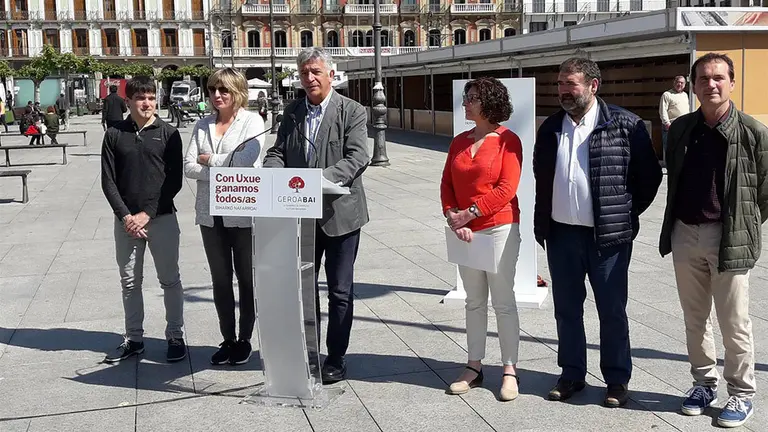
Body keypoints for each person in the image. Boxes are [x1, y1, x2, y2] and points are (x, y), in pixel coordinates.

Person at [533, 57, 662, 407]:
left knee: (612, 310)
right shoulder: (550, 128)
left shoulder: (625, 124)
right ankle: (571, 373)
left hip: (607, 239)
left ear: (593, 85)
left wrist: (624, 214)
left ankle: (617, 380)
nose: (563, 91)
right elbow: (541, 178)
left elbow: (649, 179)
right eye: (560, 84)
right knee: (567, 310)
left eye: (570, 84)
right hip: (561, 236)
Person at [659, 52, 768, 428]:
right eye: (703, 78)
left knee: (734, 321)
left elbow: (766, 191)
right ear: (692, 85)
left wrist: (744, 223)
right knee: (694, 318)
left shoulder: (753, 132)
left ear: (732, 82)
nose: (711, 84)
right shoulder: (682, 129)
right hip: (686, 232)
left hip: (729, 236)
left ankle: (741, 393)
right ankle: (703, 383)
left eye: (719, 77)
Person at [263, 47, 370, 384]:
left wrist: (318, 181)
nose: (309, 78)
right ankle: (309, 352)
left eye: (315, 72)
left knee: (340, 292)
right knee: (304, 288)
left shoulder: (351, 110)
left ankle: (336, 357)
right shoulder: (292, 111)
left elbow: (357, 157)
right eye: (304, 72)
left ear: (330, 74)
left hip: (341, 217)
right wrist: (272, 172)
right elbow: (278, 151)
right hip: (301, 217)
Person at [440, 77, 523, 402]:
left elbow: (507, 188)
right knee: (473, 301)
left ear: (489, 103)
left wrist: (469, 214)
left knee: (502, 302)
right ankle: (473, 367)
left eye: (472, 98)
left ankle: (509, 370)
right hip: (464, 231)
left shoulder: (508, 140)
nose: (466, 103)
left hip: (498, 228)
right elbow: (447, 182)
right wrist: (452, 216)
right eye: (467, 97)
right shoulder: (458, 141)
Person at [100, 76, 186, 364]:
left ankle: (175, 335)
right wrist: (125, 216)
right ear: (128, 102)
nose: (146, 103)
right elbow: (108, 181)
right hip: (126, 223)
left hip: (161, 218)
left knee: (169, 280)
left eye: (151, 97)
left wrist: (146, 213)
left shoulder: (168, 133)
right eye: (140, 98)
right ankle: (134, 338)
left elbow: (174, 181)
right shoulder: (114, 134)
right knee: (129, 282)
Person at [184, 68, 265, 366]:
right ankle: (227, 337)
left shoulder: (252, 121)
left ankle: (245, 338)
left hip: (242, 212)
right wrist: (220, 168)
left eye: (224, 90)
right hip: (209, 215)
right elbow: (189, 167)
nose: (216, 95)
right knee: (220, 279)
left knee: (246, 279)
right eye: (212, 90)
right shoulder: (202, 124)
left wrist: (210, 162)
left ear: (238, 93)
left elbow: (247, 162)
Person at [659, 75, 689, 164]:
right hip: (671, 126)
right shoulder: (667, 95)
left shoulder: (685, 95)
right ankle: (671, 170)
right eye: (678, 82)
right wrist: (667, 123)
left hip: (683, 127)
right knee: (670, 149)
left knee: (682, 149)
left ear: (685, 84)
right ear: (674, 83)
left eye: (682, 83)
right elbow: (663, 110)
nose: (679, 84)